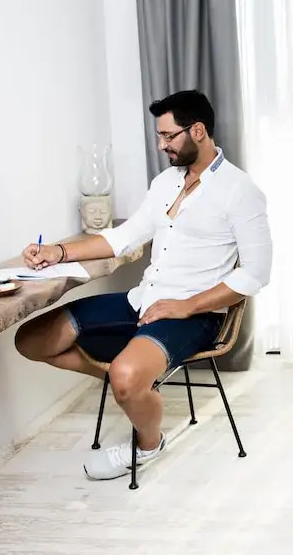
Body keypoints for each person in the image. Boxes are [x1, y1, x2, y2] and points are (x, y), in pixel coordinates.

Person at [15, 89, 272, 481]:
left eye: (168, 136)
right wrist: (58, 251)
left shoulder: (240, 191)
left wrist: (187, 306)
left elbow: (256, 273)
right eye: (159, 136)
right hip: (142, 301)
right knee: (31, 340)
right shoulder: (165, 182)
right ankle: (132, 383)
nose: (162, 145)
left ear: (197, 131)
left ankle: (149, 442)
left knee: (126, 375)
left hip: (195, 315)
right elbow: (123, 238)